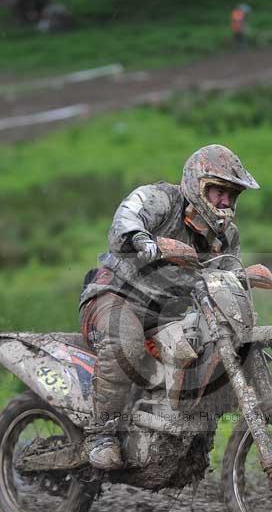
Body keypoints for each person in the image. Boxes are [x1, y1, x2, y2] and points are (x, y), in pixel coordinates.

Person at [79, 144, 260, 470]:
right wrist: (141, 239)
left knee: (208, 347)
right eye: (218, 191)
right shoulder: (161, 199)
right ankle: (101, 434)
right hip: (116, 296)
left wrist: (242, 280)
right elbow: (127, 216)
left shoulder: (226, 237)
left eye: (232, 194)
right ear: (197, 184)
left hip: (169, 314)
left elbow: (224, 278)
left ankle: (184, 435)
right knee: (125, 342)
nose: (225, 201)